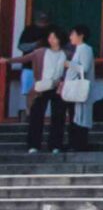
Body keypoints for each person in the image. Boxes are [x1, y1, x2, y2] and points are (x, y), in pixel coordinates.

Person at [22, 26, 66, 154]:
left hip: (58, 87)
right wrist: (7, 60)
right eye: (50, 37)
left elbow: (72, 68)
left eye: (54, 37)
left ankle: (55, 145)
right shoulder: (42, 52)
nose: (52, 40)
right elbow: (25, 59)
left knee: (58, 116)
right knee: (36, 114)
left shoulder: (65, 53)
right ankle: (33, 144)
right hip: (43, 85)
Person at [59, 23, 96, 152]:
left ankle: (79, 144)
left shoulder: (85, 48)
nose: (70, 37)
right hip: (74, 88)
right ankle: (73, 143)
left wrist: (68, 64)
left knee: (79, 116)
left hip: (80, 88)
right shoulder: (79, 49)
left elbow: (84, 68)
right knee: (74, 115)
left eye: (73, 34)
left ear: (81, 35)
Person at [14, 11, 52, 122]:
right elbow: (21, 46)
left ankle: (43, 116)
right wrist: (35, 44)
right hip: (29, 67)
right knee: (30, 92)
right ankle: (30, 114)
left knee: (45, 93)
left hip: (47, 68)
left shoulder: (52, 30)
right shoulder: (29, 30)